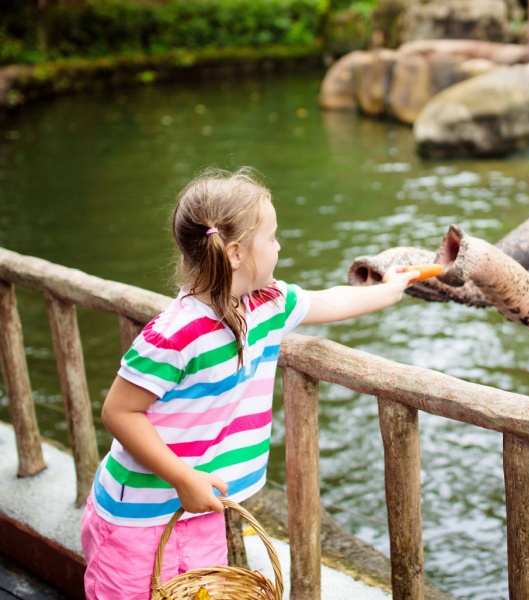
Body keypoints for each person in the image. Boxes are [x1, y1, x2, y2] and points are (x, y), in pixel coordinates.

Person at [80, 167, 419, 599]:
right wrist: (183, 477)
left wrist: (390, 289)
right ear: (237, 252)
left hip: (201, 507)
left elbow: (332, 299)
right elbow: (119, 411)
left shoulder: (267, 304)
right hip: (139, 515)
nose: (279, 247)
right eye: (273, 238)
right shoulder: (175, 333)